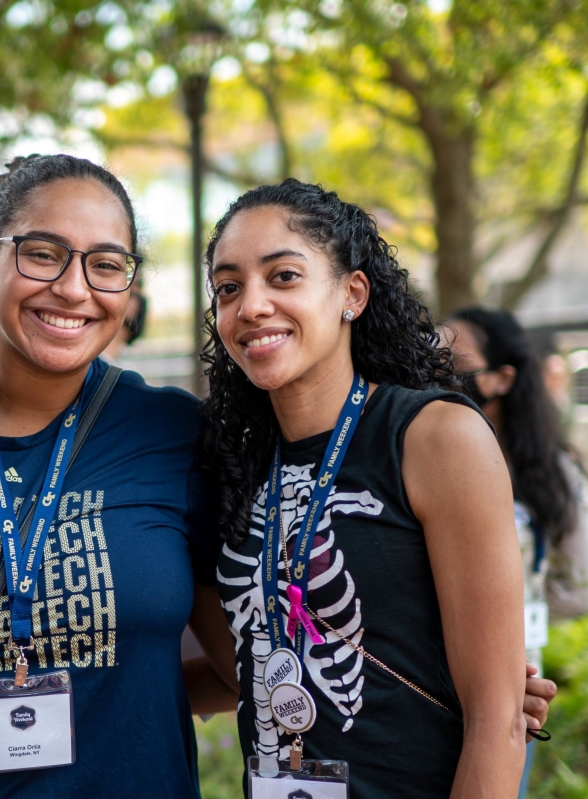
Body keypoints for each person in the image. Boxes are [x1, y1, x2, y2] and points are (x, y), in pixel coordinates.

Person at [0, 154, 239, 796]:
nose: (74, 288)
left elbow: (242, 670)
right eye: (42, 253)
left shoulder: (176, 434)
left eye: (105, 265)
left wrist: (131, 693)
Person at [202, 179, 533, 797]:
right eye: (228, 287)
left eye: (283, 276)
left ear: (351, 293)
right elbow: (233, 668)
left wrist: (511, 689)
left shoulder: (437, 438)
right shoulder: (232, 464)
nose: (250, 306)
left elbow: (500, 722)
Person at [445, 306, 588, 796]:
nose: (436, 372)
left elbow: (577, 584)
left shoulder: (550, 473)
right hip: (425, 681)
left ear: (502, 378)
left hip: (513, 691)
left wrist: (527, 601)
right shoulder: (414, 455)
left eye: (453, 363)